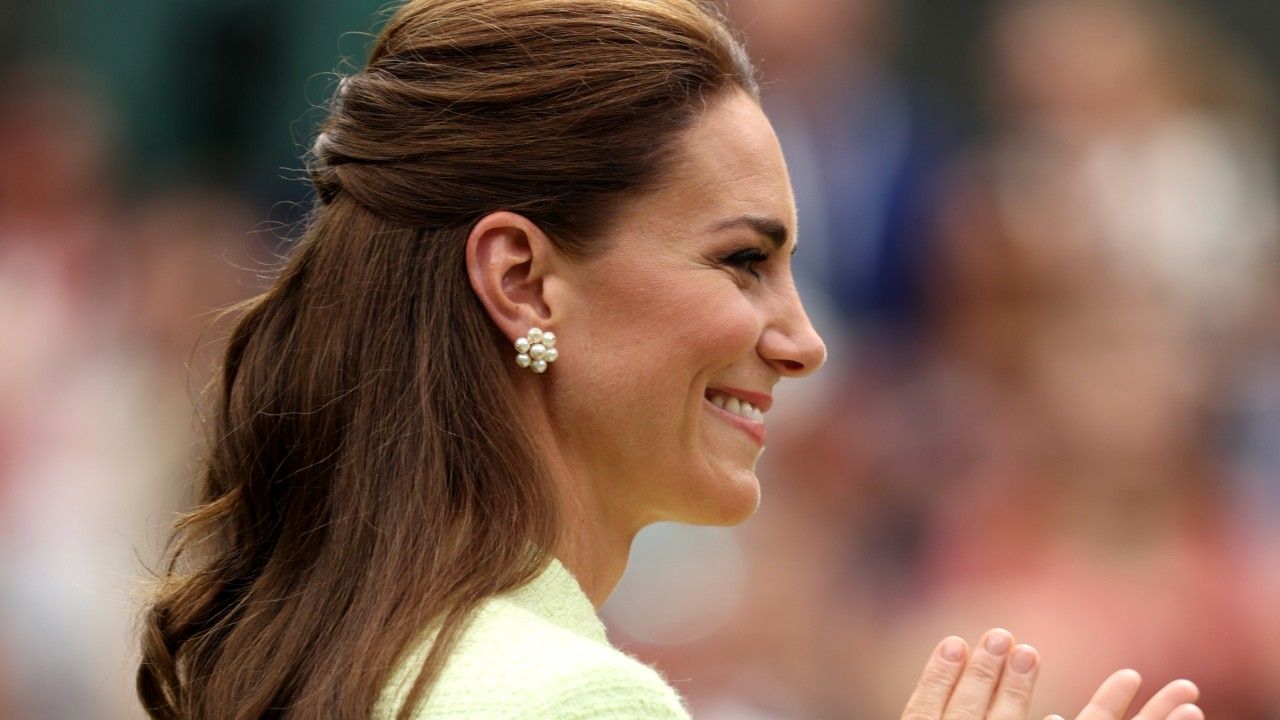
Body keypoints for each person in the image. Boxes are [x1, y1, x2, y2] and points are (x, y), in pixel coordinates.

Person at [134, 1, 1204, 718]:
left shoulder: (314, 651)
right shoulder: (567, 698)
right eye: (742, 261)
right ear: (519, 279)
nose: (803, 341)